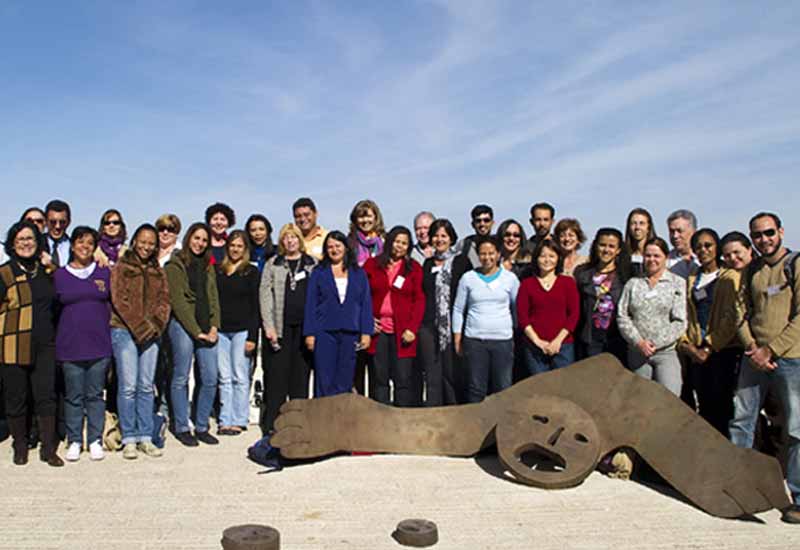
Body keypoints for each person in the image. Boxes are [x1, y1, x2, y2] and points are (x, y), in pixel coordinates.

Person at [731, 212, 800, 524]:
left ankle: (796, 496)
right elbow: (740, 311)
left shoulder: (795, 265)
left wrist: (771, 349)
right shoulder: (752, 269)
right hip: (754, 357)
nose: (763, 240)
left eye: (768, 233)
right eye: (757, 235)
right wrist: (753, 348)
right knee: (742, 422)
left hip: (791, 358)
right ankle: (738, 490)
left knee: (796, 428)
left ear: (780, 232)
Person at [0, 221, 63, 466]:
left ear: (38, 243)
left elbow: (63, 295)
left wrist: (53, 267)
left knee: (46, 395)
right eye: (21, 239)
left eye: (31, 239)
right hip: (13, 343)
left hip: (45, 343)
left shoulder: (46, 271)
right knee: (16, 397)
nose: (26, 243)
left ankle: (48, 449)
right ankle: (20, 445)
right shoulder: (4, 273)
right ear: (13, 244)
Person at [677, 229, 745, 438]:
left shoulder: (731, 276)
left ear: (717, 248)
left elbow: (733, 315)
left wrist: (710, 346)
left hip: (723, 349)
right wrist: (689, 345)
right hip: (696, 351)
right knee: (704, 404)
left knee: (723, 405)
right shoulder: (692, 279)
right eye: (698, 247)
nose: (703, 250)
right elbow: (686, 313)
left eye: (708, 245)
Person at [110, 224, 170, 460]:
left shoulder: (158, 271)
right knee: (128, 386)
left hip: (152, 334)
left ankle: (145, 436)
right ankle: (129, 438)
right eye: (142, 241)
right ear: (134, 241)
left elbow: (164, 301)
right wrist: (140, 327)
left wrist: (155, 325)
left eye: (151, 243)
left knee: (146, 385)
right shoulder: (122, 267)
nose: (146, 246)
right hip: (124, 330)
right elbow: (119, 300)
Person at [54, 226, 112, 462]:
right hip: (70, 345)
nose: (85, 247)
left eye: (90, 243)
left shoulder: (103, 272)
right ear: (73, 245)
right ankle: (75, 439)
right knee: (74, 397)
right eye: (80, 242)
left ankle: (96, 439)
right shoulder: (59, 275)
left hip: (99, 344)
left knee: (95, 395)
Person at [165, 222, 221, 446]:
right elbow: (178, 302)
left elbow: (214, 296)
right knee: (181, 376)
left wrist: (214, 325)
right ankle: (181, 426)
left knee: (209, 378)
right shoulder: (174, 265)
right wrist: (196, 332)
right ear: (189, 238)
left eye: (204, 240)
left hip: (206, 323)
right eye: (196, 238)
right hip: (183, 324)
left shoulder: (208, 265)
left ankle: (201, 425)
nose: (200, 243)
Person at [259, 223, 316, 434]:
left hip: (304, 329)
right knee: (277, 379)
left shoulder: (312, 264)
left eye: (294, 237)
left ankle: (298, 424)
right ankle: (273, 425)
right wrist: (269, 327)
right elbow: (265, 296)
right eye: (286, 237)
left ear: (300, 239)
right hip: (279, 329)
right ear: (281, 241)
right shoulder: (273, 264)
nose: (290, 241)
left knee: (300, 379)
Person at [303, 231, 373, 397]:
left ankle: (341, 420)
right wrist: (310, 334)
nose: (334, 250)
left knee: (345, 379)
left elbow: (365, 304)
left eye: (337, 246)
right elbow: (311, 304)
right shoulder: (319, 272)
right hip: (325, 331)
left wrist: (366, 332)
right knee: (324, 378)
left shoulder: (358, 273)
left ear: (346, 248)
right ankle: (322, 418)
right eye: (330, 247)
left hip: (350, 332)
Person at [363, 226, 425, 407]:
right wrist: (367, 321)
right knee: (379, 379)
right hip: (378, 331)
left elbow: (419, 300)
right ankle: (380, 420)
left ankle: (402, 420)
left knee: (403, 379)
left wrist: (412, 328)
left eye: (404, 243)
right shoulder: (372, 265)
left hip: (403, 332)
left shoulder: (413, 268)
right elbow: (362, 296)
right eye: (397, 241)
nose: (400, 246)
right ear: (389, 241)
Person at [453, 236, 520, 403]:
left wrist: (515, 333)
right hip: (475, 341)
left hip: (502, 341)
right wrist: (457, 338)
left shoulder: (510, 279)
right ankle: (476, 427)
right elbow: (458, 309)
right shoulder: (468, 278)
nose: (487, 257)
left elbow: (515, 308)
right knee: (476, 388)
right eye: (483, 254)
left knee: (503, 387)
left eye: (491, 253)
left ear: (498, 254)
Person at [617, 237, 687, 396]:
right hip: (638, 353)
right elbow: (623, 316)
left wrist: (655, 343)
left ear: (666, 257)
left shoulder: (677, 283)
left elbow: (680, 321)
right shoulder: (633, 283)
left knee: (670, 397)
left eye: (656, 256)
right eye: (648, 256)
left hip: (665, 352)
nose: (651, 260)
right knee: (640, 400)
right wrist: (639, 342)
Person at [418, 219, 472, 406]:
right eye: (436, 235)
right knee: (432, 376)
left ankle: (455, 412)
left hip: (454, 326)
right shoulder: (427, 264)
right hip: (429, 327)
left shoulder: (461, 262)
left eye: (443, 236)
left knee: (452, 374)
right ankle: (434, 414)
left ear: (451, 238)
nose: (439, 239)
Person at [215, 230, 260, 435]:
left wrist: (253, 336)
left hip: (242, 330)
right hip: (222, 331)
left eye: (239, 246)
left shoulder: (250, 272)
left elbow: (255, 306)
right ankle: (225, 419)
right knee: (224, 377)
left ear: (245, 249)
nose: (235, 249)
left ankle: (239, 419)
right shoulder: (218, 270)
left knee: (240, 376)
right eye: (232, 245)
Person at [517, 240, 579, 375]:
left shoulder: (567, 283)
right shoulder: (527, 285)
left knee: (563, 387)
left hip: (563, 346)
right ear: (536, 258)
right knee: (539, 390)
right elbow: (522, 316)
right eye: (543, 256)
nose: (547, 260)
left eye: (551, 256)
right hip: (534, 347)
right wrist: (537, 341)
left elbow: (574, 314)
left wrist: (557, 341)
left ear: (558, 259)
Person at [574, 228, 631, 362]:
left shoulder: (626, 275)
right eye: (602, 245)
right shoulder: (582, 273)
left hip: (617, 338)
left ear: (618, 250)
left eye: (611, 246)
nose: (606, 250)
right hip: (590, 337)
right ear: (595, 246)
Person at [348, 199, 386, 267]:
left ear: (376, 218)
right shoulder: (350, 242)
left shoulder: (385, 240)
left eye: (369, 216)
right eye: (361, 217)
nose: (365, 220)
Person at [666, 209, 699, 280]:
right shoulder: (664, 262)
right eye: (672, 231)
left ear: (694, 232)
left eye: (679, 231)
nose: (675, 236)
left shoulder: (707, 259)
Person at [625, 207, 657, 277]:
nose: (637, 227)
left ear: (648, 227)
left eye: (641, 223)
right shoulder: (623, 255)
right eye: (633, 223)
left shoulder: (658, 253)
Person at [45, 199, 72, 268]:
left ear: (68, 222)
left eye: (62, 222)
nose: (58, 226)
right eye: (53, 222)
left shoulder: (76, 246)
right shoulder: (37, 244)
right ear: (46, 221)